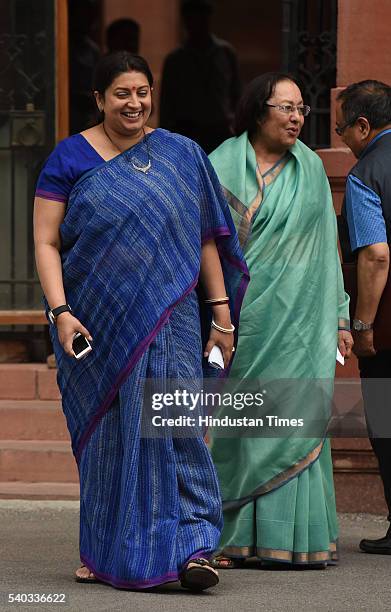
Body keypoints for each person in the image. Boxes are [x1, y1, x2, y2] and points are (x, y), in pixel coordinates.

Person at [33, 51, 248, 590]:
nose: (135, 103)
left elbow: (203, 238)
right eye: (122, 94)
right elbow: (45, 240)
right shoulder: (69, 158)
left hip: (170, 321)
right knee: (109, 435)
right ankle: (106, 546)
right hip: (95, 321)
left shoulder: (180, 155)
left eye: (143, 93)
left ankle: (194, 544)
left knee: (177, 430)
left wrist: (220, 315)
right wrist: (60, 312)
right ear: (100, 99)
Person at [208, 72, 353, 567]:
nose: (296, 118)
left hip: (302, 324)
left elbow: (328, 251)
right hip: (244, 321)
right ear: (257, 110)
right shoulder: (218, 165)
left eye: (300, 109)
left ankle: (293, 539)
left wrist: (339, 317)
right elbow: (202, 247)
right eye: (285, 108)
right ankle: (228, 535)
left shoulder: (311, 168)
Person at [337, 80, 391, 554]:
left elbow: (375, 255)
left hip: (389, 330)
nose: (343, 141)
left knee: (387, 420)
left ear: (362, 125)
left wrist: (364, 324)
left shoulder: (365, 174)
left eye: (342, 130)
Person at [159, 0, 241, 153]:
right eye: (192, 18)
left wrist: (236, 125)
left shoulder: (225, 53)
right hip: (186, 130)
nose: (196, 23)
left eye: (201, 18)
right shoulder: (176, 59)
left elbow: (236, 93)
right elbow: (167, 101)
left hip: (220, 130)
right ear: (186, 22)